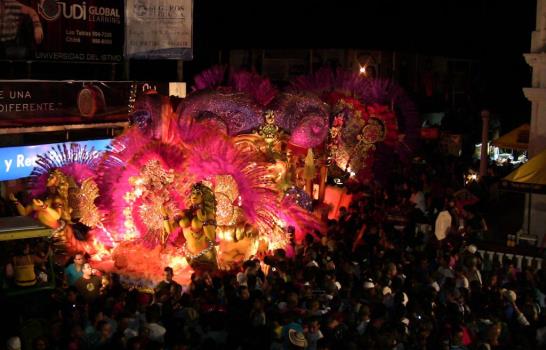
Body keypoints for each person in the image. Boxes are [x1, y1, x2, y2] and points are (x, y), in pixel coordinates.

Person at [171, 182, 218, 271]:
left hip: (206, 256)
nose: (194, 195)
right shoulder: (185, 213)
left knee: (211, 281)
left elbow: (211, 237)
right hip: (189, 255)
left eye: (198, 193)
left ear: (203, 197)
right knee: (197, 280)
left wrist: (204, 221)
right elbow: (170, 230)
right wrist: (165, 216)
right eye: (193, 193)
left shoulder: (208, 214)